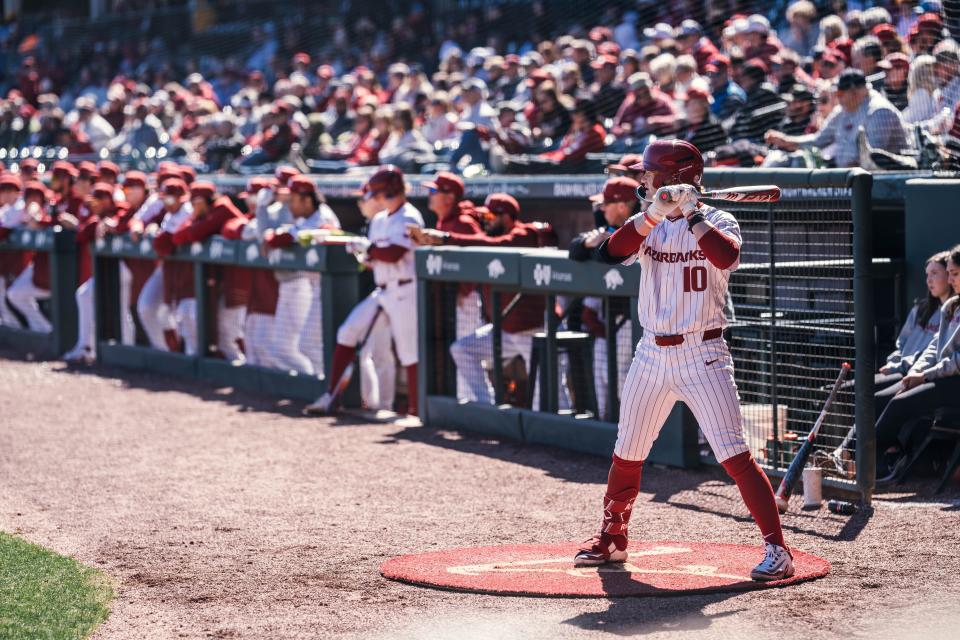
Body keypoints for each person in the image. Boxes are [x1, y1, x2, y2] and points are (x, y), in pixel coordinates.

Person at [571, 139, 792, 581]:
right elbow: (609, 252)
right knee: (627, 451)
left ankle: (777, 550)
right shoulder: (648, 220)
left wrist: (691, 214)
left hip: (702, 351)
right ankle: (614, 538)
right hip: (651, 351)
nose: (643, 179)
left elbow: (725, 256)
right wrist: (657, 211)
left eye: (649, 173)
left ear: (673, 176)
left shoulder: (719, 219)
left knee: (733, 454)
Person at [409, 193, 548, 407]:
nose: (486, 221)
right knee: (463, 349)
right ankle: (486, 406)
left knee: (549, 394)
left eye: (492, 216)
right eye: (484, 216)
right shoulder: (489, 238)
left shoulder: (523, 233)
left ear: (507, 217)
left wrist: (446, 238)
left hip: (536, 330)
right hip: (506, 330)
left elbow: (496, 245)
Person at [305, 165, 423, 417]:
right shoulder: (379, 220)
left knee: (409, 352)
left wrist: (367, 248)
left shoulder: (410, 217)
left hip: (405, 290)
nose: (376, 198)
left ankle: (417, 411)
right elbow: (374, 261)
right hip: (383, 290)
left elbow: (394, 253)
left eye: (379, 193)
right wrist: (362, 253)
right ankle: (332, 396)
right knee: (348, 331)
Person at [875, 245, 960, 481]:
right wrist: (916, 371)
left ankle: (863, 462)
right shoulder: (951, 306)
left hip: (955, 382)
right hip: (941, 376)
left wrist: (924, 376)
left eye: (955, 274)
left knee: (900, 403)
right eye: (950, 273)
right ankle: (855, 459)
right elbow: (934, 347)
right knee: (883, 396)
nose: (951, 280)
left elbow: (957, 362)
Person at [569, 176, 640, 421]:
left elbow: (611, 256)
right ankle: (614, 428)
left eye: (606, 204)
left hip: (637, 319)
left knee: (624, 379)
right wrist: (590, 242)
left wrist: (600, 246)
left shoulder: (643, 225)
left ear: (622, 206)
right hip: (615, 318)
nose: (601, 209)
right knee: (606, 376)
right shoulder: (609, 229)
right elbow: (575, 248)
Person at [261, 176, 341, 375]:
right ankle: (324, 387)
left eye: (293, 200)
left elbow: (283, 238)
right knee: (306, 344)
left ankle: (327, 389)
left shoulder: (321, 217)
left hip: (330, 286)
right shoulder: (309, 218)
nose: (289, 206)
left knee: (312, 344)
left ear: (307, 200)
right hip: (316, 286)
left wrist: (269, 235)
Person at [765, 68, 910, 167]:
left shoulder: (879, 111)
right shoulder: (843, 111)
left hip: (881, 182)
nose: (837, 99)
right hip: (851, 181)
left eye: (839, 95)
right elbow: (818, 140)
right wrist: (785, 140)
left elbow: (872, 159)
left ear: (854, 92)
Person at [422, 171, 483, 399]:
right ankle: (468, 403)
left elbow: (479, 258)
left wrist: (463, 290)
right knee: (458, 355)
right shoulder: (444, 221)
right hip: (451, 301)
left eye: (434, 191)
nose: (429, 195)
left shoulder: (464, 223)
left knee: (467, 355)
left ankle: (478, 405)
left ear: (449, 197)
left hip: (466, 300)